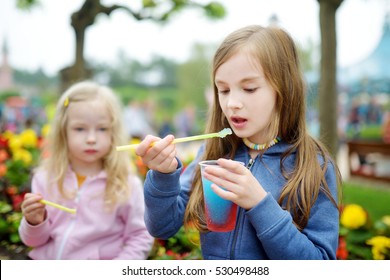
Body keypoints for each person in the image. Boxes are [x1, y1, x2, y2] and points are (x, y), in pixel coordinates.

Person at [136, 25, 341, 260]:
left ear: (284, 88)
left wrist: (259, 203)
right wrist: (163, 175)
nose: (232, 102)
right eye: (223, 90)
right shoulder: (213, 153)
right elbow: (162, 227)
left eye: (249, 88)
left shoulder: (314, 165)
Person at [19, 81, 154, 259]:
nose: (91, 138)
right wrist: (34, 222)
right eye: (80, 129)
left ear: (113, 132)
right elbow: (34, 242)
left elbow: (140, 236)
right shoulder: (45, 178)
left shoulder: (126, 184)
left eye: (102, 129)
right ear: (63, 131)